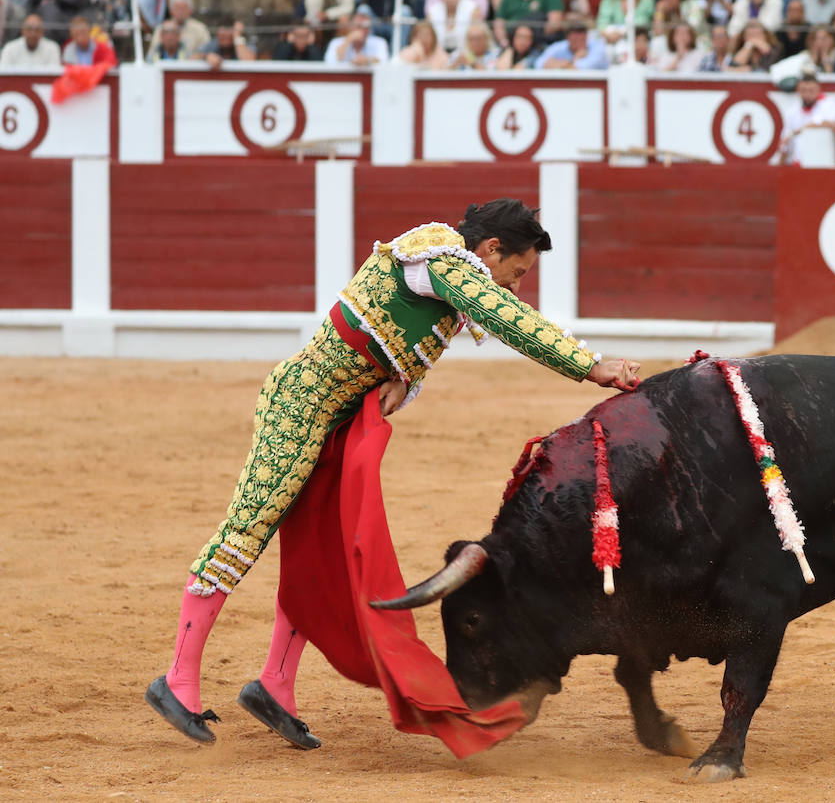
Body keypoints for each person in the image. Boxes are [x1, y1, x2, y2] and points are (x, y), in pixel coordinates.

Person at [144, 201, 642, 748]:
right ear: (491, 249)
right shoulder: (436, 256)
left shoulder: (448, 278)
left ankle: (275, 685)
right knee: (247, 531)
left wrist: (407, 385)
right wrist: (590, 364)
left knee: (323, 553)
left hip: (341, 419)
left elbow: (406, 355)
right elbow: (505, 317)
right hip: (300, 406)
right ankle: (178, 679)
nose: (514, 285)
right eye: (516, 271)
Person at [536, 16, 610, 68]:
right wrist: (573, 60)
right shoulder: (558, 47)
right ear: (568, 38)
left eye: (582, 40)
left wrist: (557, 64)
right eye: (575, 40)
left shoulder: (597, 47)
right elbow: (539, 63)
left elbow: (583, 68)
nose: (579, 43)